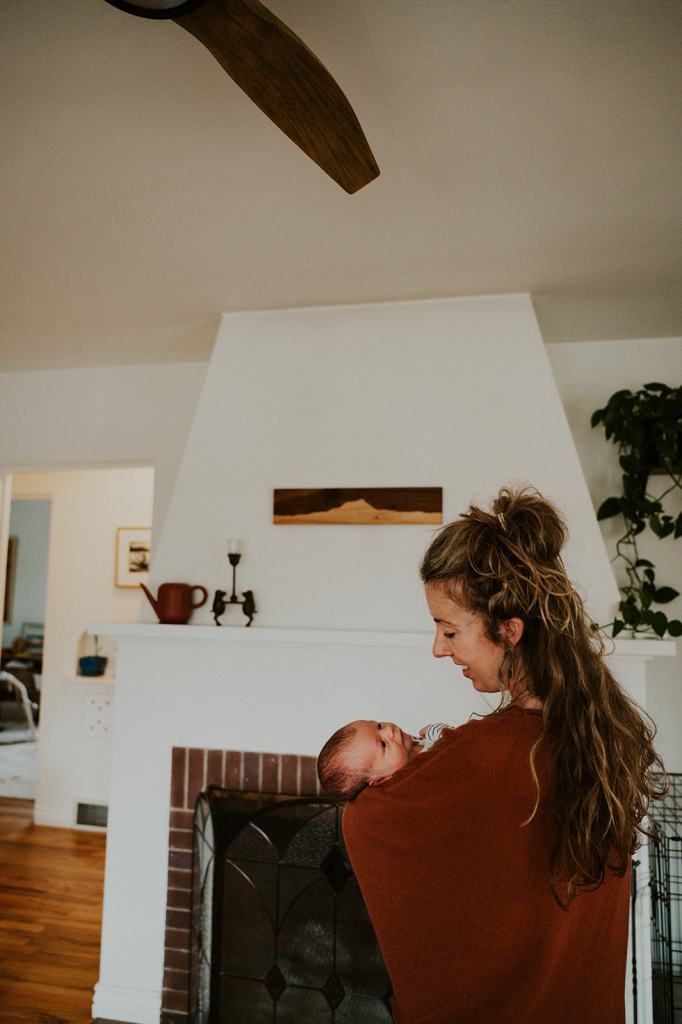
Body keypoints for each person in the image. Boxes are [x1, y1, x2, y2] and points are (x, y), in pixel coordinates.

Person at [342, 485, 666, 1024]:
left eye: (450, 631)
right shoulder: (603, 734)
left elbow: (366, 822)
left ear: (509, 631)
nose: (438, 648)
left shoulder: (482, 757)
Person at [317, 720, 450, 798]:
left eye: (379, 726)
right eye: (383, 745)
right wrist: (436, 732)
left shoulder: (418, 741)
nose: (389, 731)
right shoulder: (416, 775)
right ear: (381, 780)